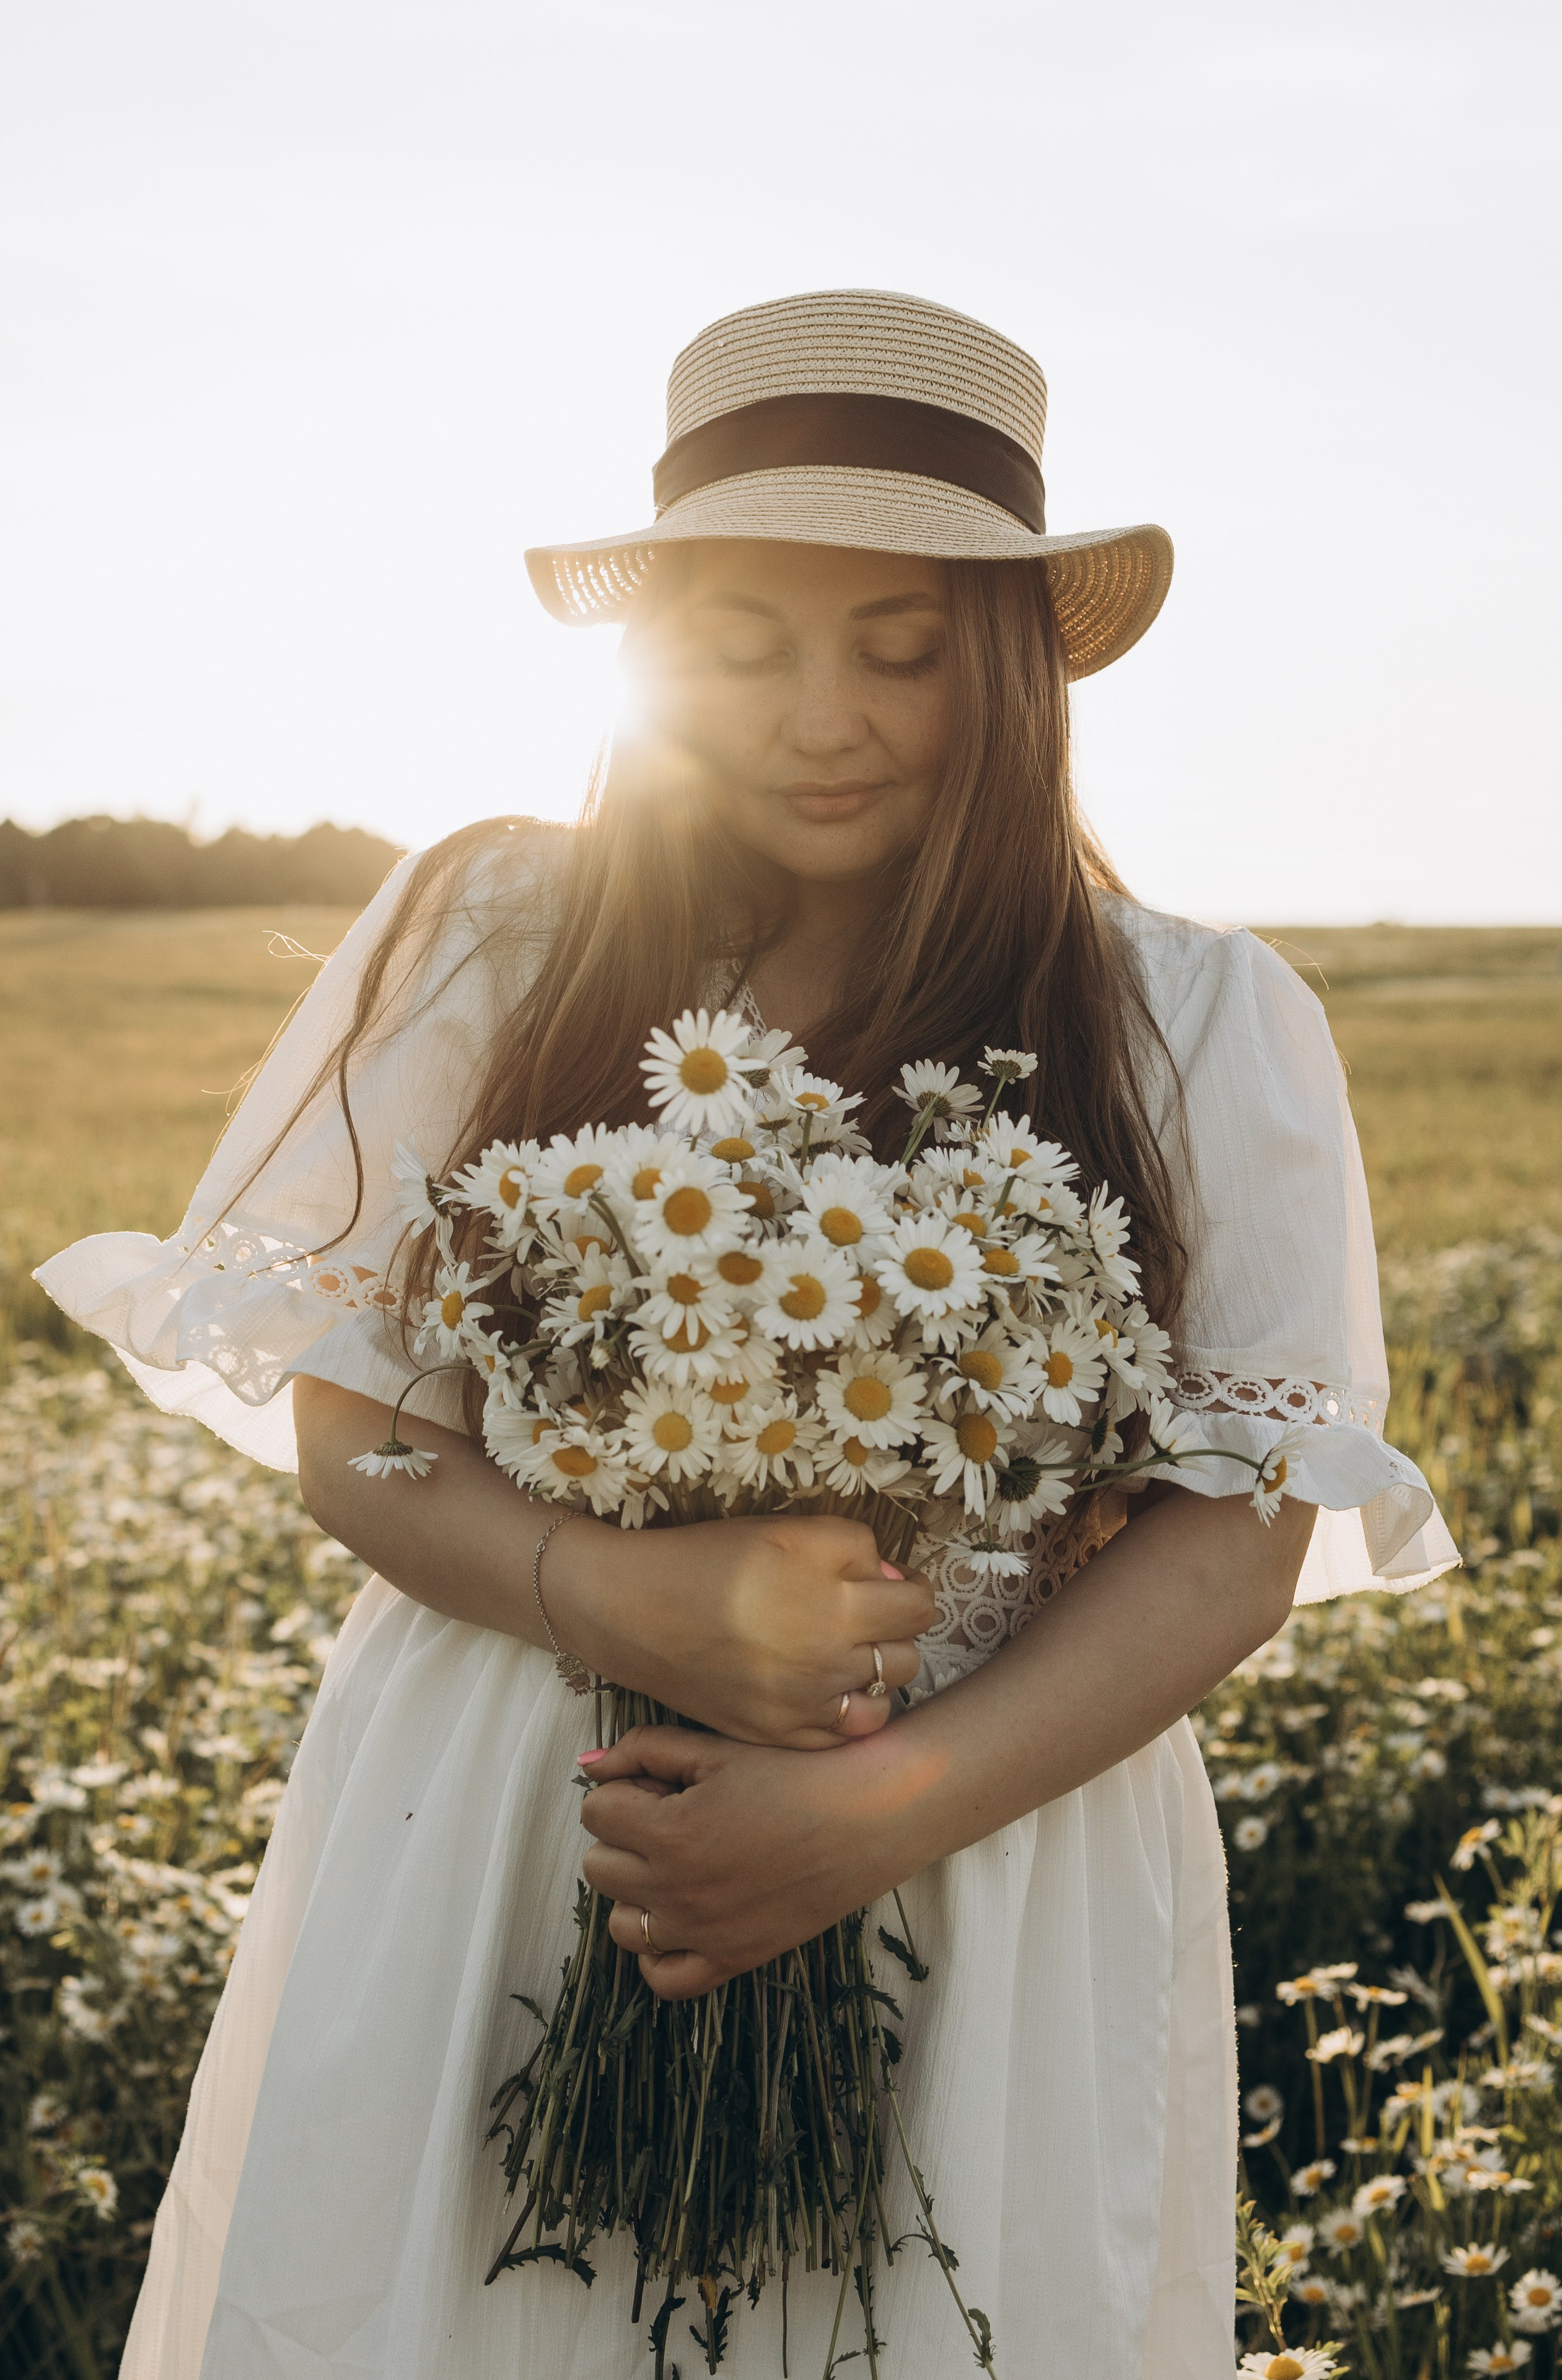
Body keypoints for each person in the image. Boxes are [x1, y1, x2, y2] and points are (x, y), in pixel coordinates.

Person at [38, 288, 1457, 2380]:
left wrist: (861, 1819)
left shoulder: (1193, 1018)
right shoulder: (500, 935)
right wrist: (626, 1591)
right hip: (534, 1820)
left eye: (900, 650)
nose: (825, 717)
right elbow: (357, 1434)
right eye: (747, 644)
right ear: (653, 654)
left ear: (1008, 664)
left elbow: (1231, 1540)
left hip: (984, 1834)